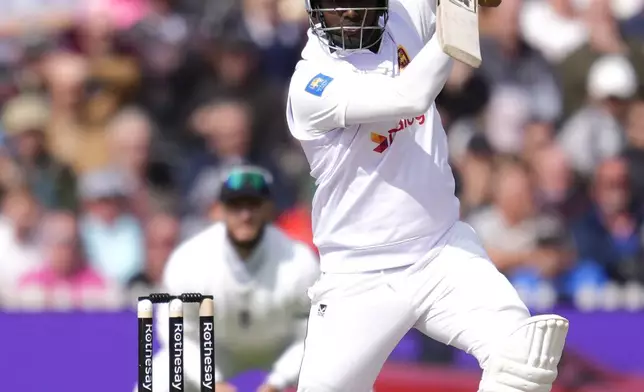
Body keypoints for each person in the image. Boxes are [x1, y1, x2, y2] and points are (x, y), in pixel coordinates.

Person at [285, 1, 569, 392]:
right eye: (337, 5)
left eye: (361, 2)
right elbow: (409, 96)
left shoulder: (404, 13)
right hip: (360, 275)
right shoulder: (311, 84)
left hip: (441, 252)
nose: (350, 14)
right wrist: (458, 17)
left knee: (523, 355)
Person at [133, 166, 320, 392]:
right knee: (156, 380)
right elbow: (177, 333)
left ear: (269, 209)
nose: (245, 215)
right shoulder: (190, 260)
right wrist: (213, 382)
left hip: (281, 347)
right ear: (218, 211)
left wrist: (276, 382)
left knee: (339, 375)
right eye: (235, 205)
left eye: (253, 204)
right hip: (216, 350)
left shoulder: (299, 262)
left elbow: (312, 334)